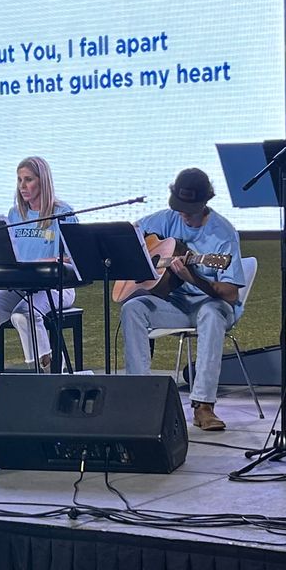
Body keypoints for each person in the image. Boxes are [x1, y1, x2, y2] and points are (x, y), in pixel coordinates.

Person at [119, 167, 246, 433]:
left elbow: (231, 293)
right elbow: (131, 234)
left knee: (211, 315)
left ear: (205, 202)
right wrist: (145, 259)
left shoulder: (223, 233)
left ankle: (203, 405)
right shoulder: (166, 218)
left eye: (190, 209)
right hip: (175, 304)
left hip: (210, 303)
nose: (183, 214)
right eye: (179, 207)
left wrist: (193, 278)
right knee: (133, 308)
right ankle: (141, 397)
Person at [0, 157, 79, 402]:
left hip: (57, 287)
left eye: (28, 180)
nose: (22, 186)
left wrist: (50, 261)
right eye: (19, 180)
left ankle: (47, 375)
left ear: (42, 181)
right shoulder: (15, 213)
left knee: (23, 314)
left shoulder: (63, 213)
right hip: (20, 285)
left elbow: (76, 258)